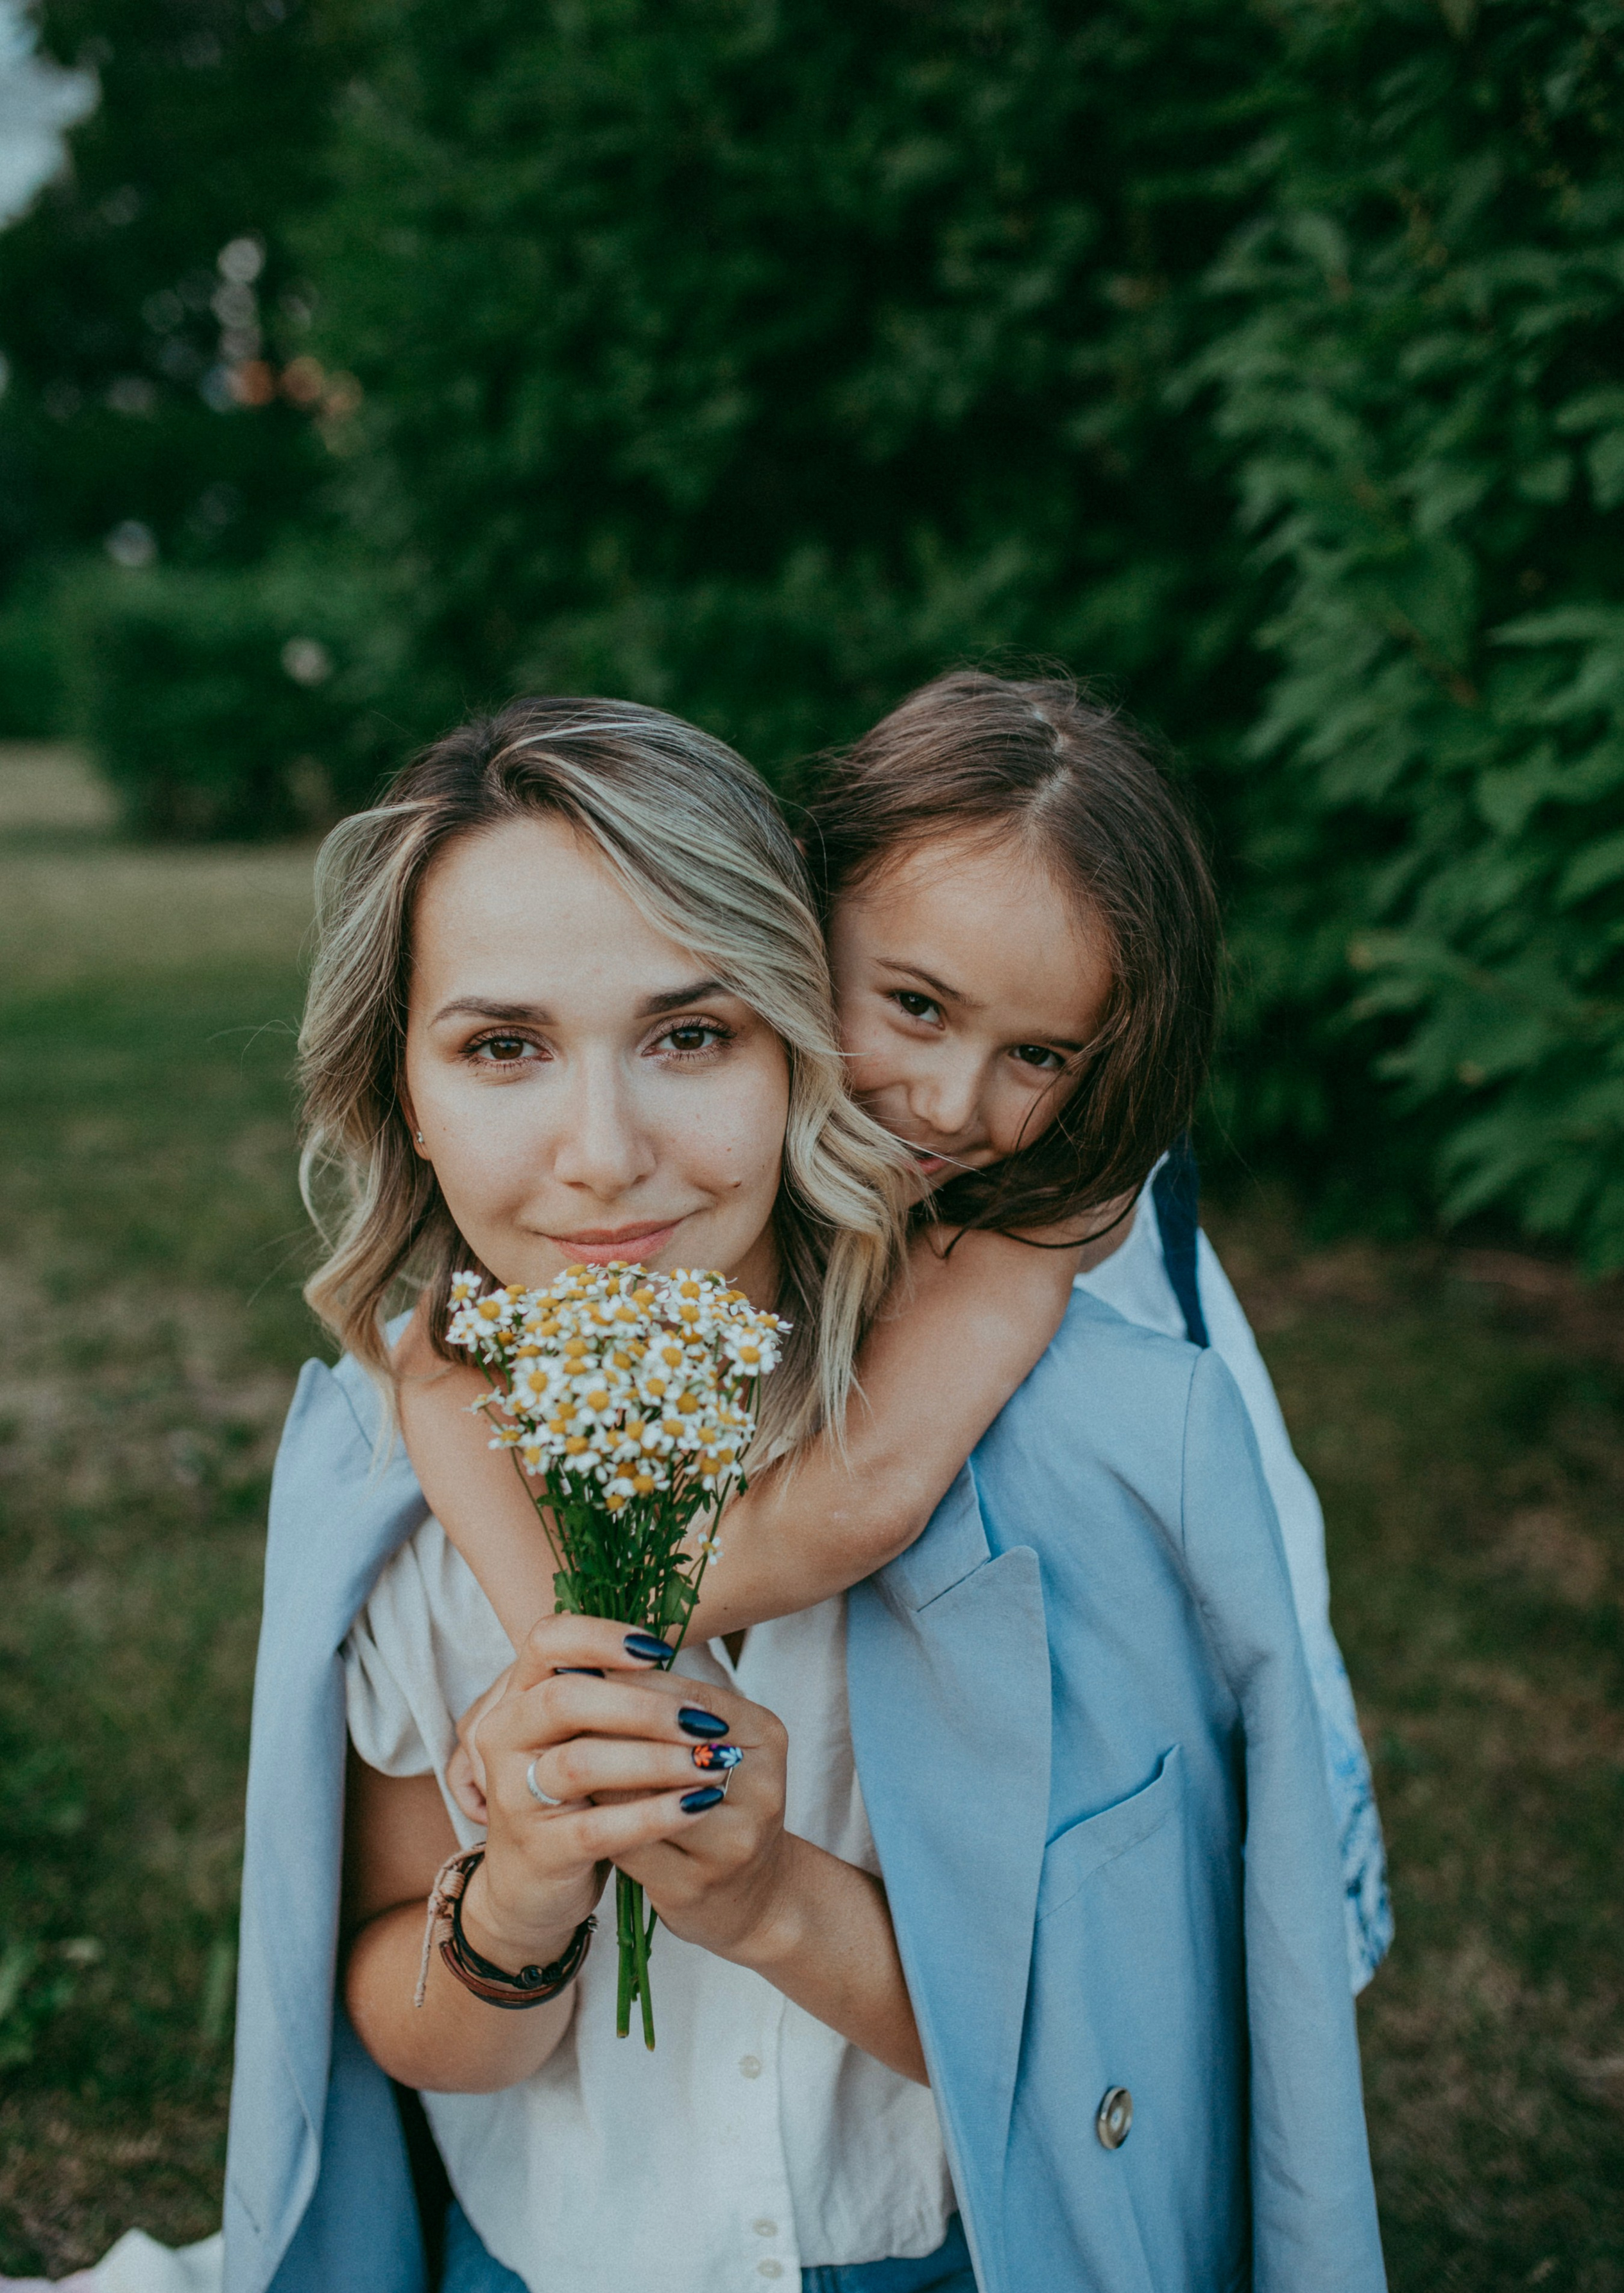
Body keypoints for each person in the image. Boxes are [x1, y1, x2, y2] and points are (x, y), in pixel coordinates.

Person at [213, 695, 1405, 2293]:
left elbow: (1128, 2043)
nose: (603, 1151)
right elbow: (415, 2015)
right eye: (502, 1048)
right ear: (395, 1083)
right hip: (594, 2273)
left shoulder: (1065, 1430)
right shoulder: (410, 1465)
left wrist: (770, 1894)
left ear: (782, 1031)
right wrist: (518, 1900)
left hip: (981, 2257)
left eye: (687, 1035)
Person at [403, 672, 1390, 1991]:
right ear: (802, 918)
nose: (947, 1100)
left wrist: (590, 1666)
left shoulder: (1057, 1206)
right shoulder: (793, 1166)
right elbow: (428, 1363)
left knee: (1210, 2030)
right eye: (914, 1007)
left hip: (1193, 1691)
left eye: (1040, 1055)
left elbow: (852, 1505)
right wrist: (560, 1665)